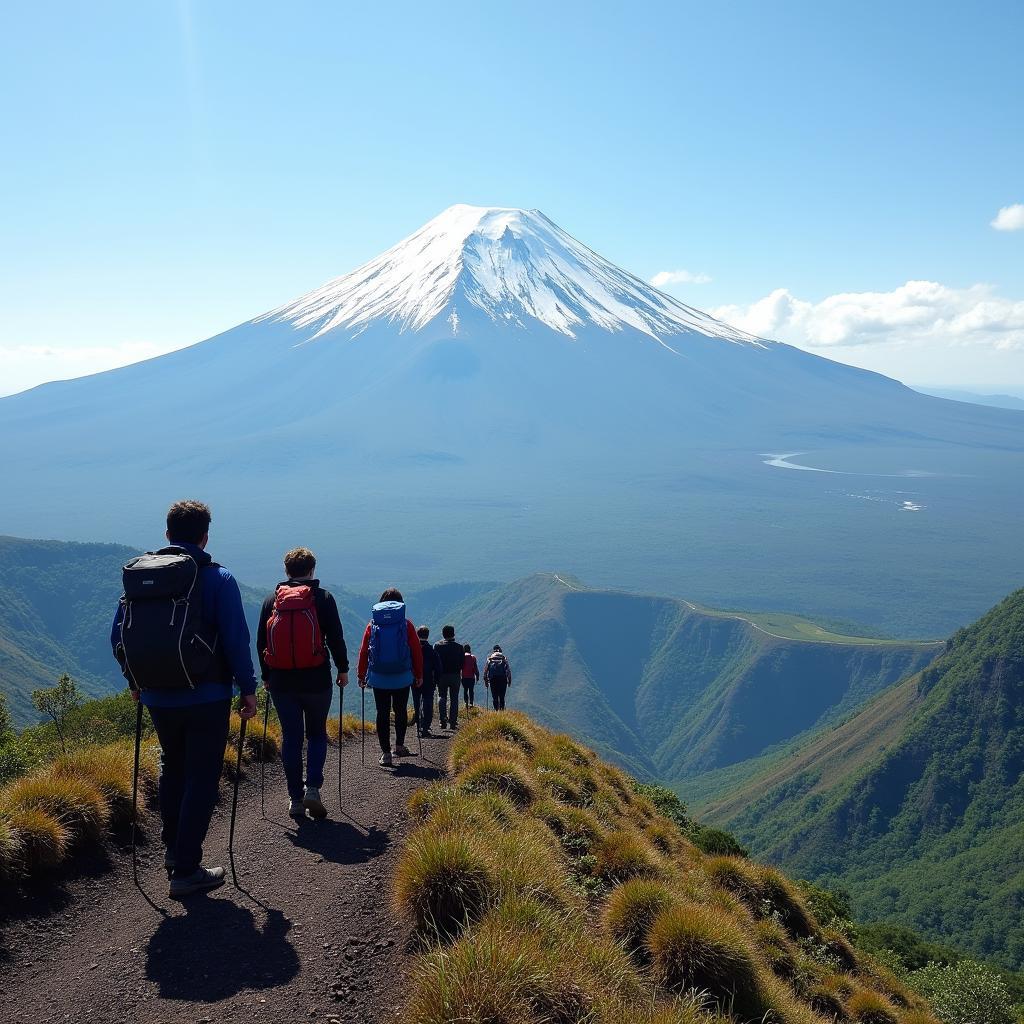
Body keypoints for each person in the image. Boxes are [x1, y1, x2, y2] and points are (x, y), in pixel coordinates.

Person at [111, 500, 257, 899]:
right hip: (207, 693)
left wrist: (135, 680)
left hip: (157, 695)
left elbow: (119, 636)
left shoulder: (140, 578)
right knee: (202, 777)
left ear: (167, 535)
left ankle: (174, 855)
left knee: (172, 768)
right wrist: (247, 688)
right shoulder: (218, 578)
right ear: (205, 536)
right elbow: (235, 638)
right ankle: (187, 869)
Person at [257, 547, 349, 821]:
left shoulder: (271, 600)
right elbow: (336, 637)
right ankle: (313, 789)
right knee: (317, 734)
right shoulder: (322, 598)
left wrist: (266, 676)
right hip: (316, 679)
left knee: (292, 738)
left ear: (286, 571)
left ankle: (295, 798)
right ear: (312, 570)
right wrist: (342, 669)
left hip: (282, 681)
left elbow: (262, 643)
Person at [356, 588, 423, 767]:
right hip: (402, 676)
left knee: (382, 713)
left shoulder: (372, 625)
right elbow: (416, 651)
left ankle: (386, 754)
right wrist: (419, 674)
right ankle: (399, 746)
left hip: (379, 677)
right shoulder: (406, 624)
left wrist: (361, 675)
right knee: (401, 710)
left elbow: (364, 652)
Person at [433, 624, 464, 731]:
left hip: (441, 675)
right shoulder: (459, 647)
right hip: (455, 675)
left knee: (442, 696)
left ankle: (442, 721)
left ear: (443, 634)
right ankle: (453, 722)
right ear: (453, 634)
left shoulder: (437, 646)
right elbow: (462, 664)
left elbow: (434, 662)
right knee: (454, 698)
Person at [415, 626, 440, 738]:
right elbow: (438, 667)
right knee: (428, 703)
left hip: (414, 679)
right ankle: (426, 726)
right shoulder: (432, 650)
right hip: (429, 680)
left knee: (417, 703)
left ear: (417, 634)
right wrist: (437, 681)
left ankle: (418, 725)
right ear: (428, 635)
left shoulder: (413, 649)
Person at [484, 645, 512, 710]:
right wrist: (509, 680)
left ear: (493, 651)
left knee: (495, 697)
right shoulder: (503, 658)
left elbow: (485, 671)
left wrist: (486, 682)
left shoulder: (490, 658)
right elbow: (508, 670)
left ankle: (496, 711)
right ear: (500, 650)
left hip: (493, 679)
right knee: (502, 697)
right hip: (503, 679)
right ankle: (502, 712)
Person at [461, 644, 480, 709]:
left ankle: (466, 703)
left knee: (465, 690)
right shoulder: (473, 657)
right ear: (469, 649)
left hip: (464, 677)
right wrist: (477, 676)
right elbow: (475, 668)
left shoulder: (462, 657)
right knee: (471, 690)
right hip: (471, 677)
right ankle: (471, 703)